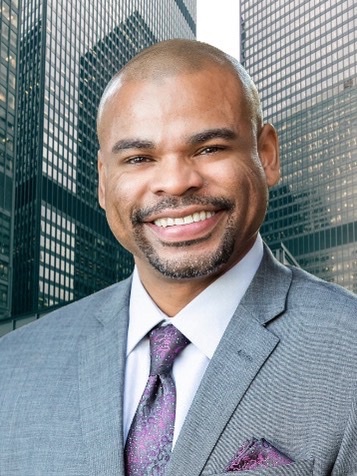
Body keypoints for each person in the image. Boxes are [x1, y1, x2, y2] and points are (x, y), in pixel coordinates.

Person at [1, 39, 357, 476]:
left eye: (209, 148)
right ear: (102, 181)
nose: (174, 182)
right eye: (138, 158)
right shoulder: (11, 367)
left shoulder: (348, 351)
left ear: (266, 154)